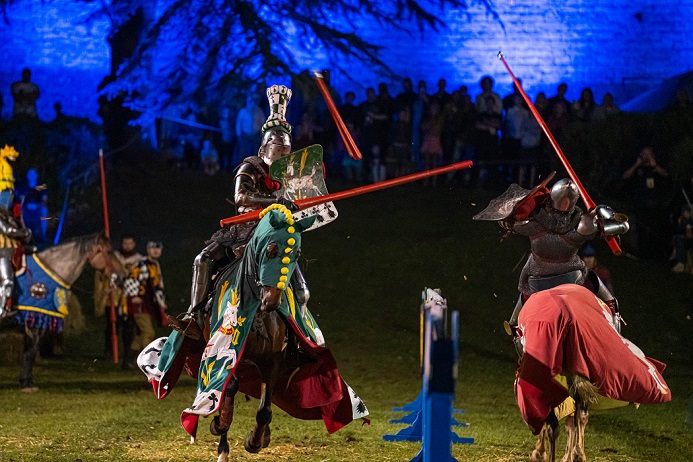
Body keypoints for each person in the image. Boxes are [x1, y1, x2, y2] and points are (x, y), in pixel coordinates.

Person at [170, 85, 301, 339]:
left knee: (301, 288)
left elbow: (301, 201)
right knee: (203, 260)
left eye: (286, 151)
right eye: (277, 149)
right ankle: (195, 319)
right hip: (243, 230)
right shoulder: (249, 168)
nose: (282, 154)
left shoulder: (289, 176)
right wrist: (275, 201)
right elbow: (242, 197)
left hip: (274, 233)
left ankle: (299, 335)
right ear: (264, 149)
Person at [473, 177, 630, 352]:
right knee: (599, 286)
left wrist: (516, 212)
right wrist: (603, 214)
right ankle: (614, 321)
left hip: (538, 279)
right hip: (571, 277)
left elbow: (505, 220)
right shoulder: (582, 225)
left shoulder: (532, 222)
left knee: (525, 295)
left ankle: (515, 328)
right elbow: (623, 225)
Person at [121, 241, 167, 369]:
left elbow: (158, 286)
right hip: (140, 305)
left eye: (158, 248)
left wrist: (162, 304)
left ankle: (129, 361)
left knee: (143, 334)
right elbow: (130, 279)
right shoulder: (141, 264)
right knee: (148, 333)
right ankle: (146, 363)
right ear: (148, 250)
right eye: (153, 248)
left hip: (148, 305)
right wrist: (134, 296)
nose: (156, 251)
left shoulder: (155, 265)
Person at [99, 234, 143, 362]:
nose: (127, 246)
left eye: (130, 243)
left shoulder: (139, 259)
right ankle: (109, 352)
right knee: (112, 325)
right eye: (125, 243)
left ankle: (128, 353)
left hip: (129, 298)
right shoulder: (114, 257)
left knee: (129, 327)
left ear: (134, 244)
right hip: (115, 296)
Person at [622, 145, 671, 260]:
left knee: (655, 230)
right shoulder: (639, 169)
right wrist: (636, 164)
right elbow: (625, 176)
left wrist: (656, 166)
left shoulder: (656, 167)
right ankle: (643, 255)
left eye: (648, 154)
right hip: (641, 205)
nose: (646, 157)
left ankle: (657, 255)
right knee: (642, 231)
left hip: (656, 205)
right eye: (644, 154)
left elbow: (667, 175)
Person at [0, 146, 31, 321]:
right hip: (1, 249)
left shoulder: (7, 212)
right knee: (7, 281)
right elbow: (7, 230)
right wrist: (22, 232)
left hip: (8, 247)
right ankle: (2, 312)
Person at [14, 168, 48, 247]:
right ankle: (21, 234)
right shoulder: (23, 186)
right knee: (17, 210)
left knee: (44, 210)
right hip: (25, 208)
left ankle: (43, 235)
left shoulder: (41, 186)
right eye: (30, 175)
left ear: (36, 176)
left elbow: (44, 200)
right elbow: (19, 199)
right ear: (27, 176)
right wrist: (26, 204)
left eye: (33, 175)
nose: (32, 177)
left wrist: (37, 205)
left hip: (38, 207)